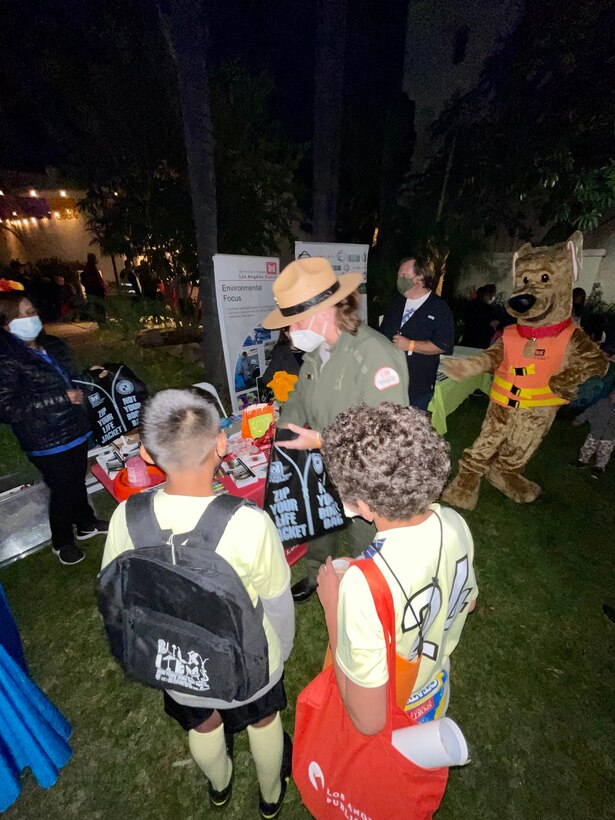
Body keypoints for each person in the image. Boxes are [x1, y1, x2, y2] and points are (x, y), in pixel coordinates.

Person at [101, 389, 295, 818]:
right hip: (249, 657)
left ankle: (220, 784)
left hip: (174, 656)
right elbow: (278, 601)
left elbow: (117, 593)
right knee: (263, 720)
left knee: (202, 722)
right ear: (221, 445)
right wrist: (281, 650)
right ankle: (269, 794)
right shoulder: (249, 522)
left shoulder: (125, 516)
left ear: (149, 456)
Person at [316, 402, 478, 734]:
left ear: (362, 506)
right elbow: (469, 600)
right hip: (433, 690)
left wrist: (333, 605)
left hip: (394, 707)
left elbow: (368, 721)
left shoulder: (361, 587)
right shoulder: (453, 522)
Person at [262, 256, 409, 603]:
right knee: (320, 521)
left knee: (365, 540)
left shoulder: (374, 354)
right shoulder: (318, 352)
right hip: (323, 459)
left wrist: (322, 439)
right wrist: (284, 428)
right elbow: (300, 393)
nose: (288, 332)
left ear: (323, 311)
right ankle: (317, 573)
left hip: (365, 472)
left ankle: (364, 593)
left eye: (292, 322)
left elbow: (389, 432)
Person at [0, 291, 108, 566]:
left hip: (73, 427)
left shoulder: (52, 345)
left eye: (32, 311)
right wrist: (60, 399)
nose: (31, 317)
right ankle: (62, 542)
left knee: (76, 480)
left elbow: (68, 379)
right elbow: (7, 409)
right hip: (45, 438)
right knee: (62, 489)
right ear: (6, 324)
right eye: (23, 314)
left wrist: (90, 374)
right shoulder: (7, 359)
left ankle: (85, 524)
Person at [379, 256, 455, 410]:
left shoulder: (439, 308)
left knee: (412, 429)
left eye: (404, 276)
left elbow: (443, 345)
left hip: (418, 385)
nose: (399, 279)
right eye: (398, 275)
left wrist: (410, 345)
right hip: (389, 382)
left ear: (420, 277)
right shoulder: (396, 304)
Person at [573, 389, 615, 478]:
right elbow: (589, 411)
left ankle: (599, 467)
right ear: (611, 394)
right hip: (595, 432)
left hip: (609, 436)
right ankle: (582, 461)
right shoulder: (602, 403)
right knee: (587, 447)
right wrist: (579, 419)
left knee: (604, 453)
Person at [462, 284, 501, 348]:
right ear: (484, 294)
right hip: (479, 343)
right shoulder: (487, 309)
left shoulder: (471, 304)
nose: (492, 297)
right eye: (490, 295)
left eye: (493, 295)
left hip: (469, 342)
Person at [80, 253, 107, 323]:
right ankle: (102, 322)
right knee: (100, 307)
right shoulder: (92, 268)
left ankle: (101, 321)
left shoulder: (87, 268)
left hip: (91, 291)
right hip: (96, 291)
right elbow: (97, 280)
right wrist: (103, 288)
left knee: (97, 307)